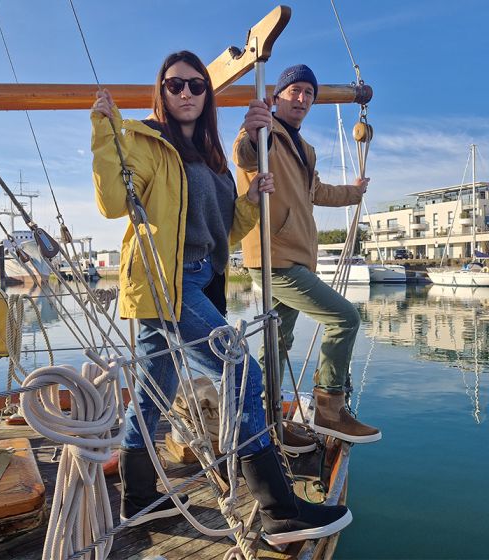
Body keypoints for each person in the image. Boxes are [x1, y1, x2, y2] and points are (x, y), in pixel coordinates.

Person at [91, 51, 352, 541]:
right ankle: (279, 509)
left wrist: (250, 203)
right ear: (161, 92)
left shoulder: (211, 156)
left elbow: (223, 234)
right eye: (175, 85)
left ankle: (141, 499)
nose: (186, 93)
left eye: (196, 85)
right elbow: (110, 203)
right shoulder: (143, 141)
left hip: (198, 276)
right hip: (164, 281)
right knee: (240, 368)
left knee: (151, 394)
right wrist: (105, 132)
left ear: (207, 94)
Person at [233, 64, 381, 444]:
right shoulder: (266, 131)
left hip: (295, 256)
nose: (301, 98)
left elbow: (315, 192)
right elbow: (245, 155)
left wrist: (354, 192)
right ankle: (330, 408)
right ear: (278, 95)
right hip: (274, 259)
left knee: (276, 341)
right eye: (294, 90)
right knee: (344, 317)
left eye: (308, 93)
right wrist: (252, 128)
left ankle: (266, 424)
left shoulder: (304, 148)